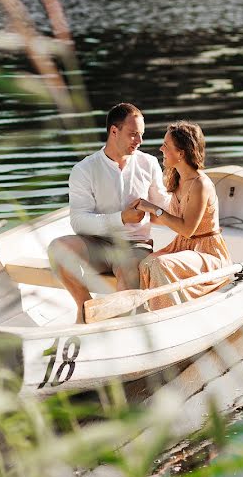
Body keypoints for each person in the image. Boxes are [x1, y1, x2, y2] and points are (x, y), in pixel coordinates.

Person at [48, 103, 170, 324]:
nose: (139, 141)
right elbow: (79, 222)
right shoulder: (84, 170)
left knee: (128, 270)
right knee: (58, 249)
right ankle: (86, 310)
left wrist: (189, 194)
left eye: (141, 135)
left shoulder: (149, 164)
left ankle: (117, 329)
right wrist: (121, 218)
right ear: (114, 131)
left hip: (135, 245)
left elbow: (164, 206)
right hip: (96, 244)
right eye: (133, 135)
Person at [132, 121, 232, 310]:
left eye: (166, 145)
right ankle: (151, 311)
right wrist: (133, 213)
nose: (161, 148)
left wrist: (153, 208)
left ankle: (169, 315)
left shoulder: (200, 184)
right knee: (145, 263)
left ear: (181, 153)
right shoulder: (175, 178)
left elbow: (187, 229)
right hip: (184, 247)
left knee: (160, 264)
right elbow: (168, 219)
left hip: (206, 251)